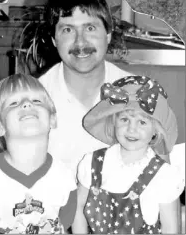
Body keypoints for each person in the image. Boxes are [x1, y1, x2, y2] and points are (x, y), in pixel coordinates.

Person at [0, 73, 77, 234]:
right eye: (14, 103)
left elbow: (63, 221)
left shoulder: (63, 177)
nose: (26, 104)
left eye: (36, 101)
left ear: (53, 119)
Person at [36, 0, 133, 176]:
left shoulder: (135, 92)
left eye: (90, 28)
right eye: (68, 30)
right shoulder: (34, 98)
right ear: (54, 39)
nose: (80, 42)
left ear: (107, 34)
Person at [72, 75, 185, 234]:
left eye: (142, 122)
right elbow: (77, 207)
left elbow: (171, 229)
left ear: (155, 131)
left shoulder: (164, 175)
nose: (132, 129)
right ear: (113, 121)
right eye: (124, 119)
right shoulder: (92, 163)